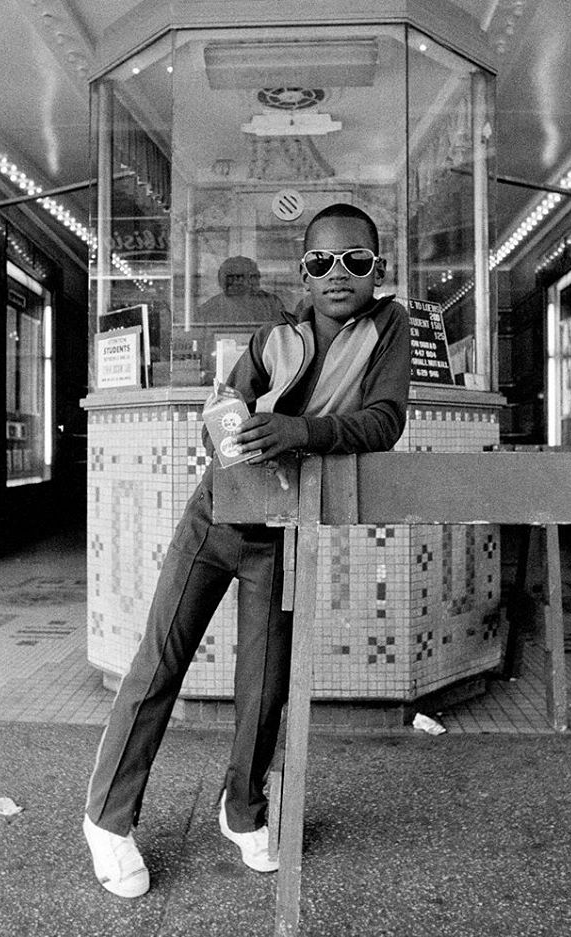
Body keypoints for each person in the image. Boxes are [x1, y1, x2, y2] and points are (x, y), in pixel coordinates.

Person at [83, 203, 412, 898]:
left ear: (377, 268)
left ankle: (243, 810)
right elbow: (224, 411)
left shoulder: (389, 327)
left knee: (264, 687)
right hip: (218, 516)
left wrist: (298, 432)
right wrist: (226, 427)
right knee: (160, 659)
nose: (338, 273)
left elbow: (385, 421)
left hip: (285, 532)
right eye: (321, 261)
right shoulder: (274, 336)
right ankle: (108, 819)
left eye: (356, 260)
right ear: (303, 270)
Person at [197, 255, 286, 325]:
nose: (256, 280)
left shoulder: (271, 303)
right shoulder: (210, 309)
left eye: (255, 276)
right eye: (230, 278)